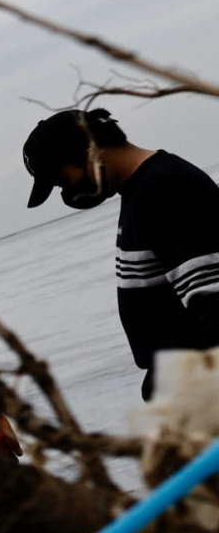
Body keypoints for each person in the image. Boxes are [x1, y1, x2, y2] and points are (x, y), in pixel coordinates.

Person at [19, 107, 219, 397]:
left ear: (89, 151)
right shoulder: (139, 191)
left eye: (63, 181)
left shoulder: (166, 188)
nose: (68, 193)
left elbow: (212, 298)